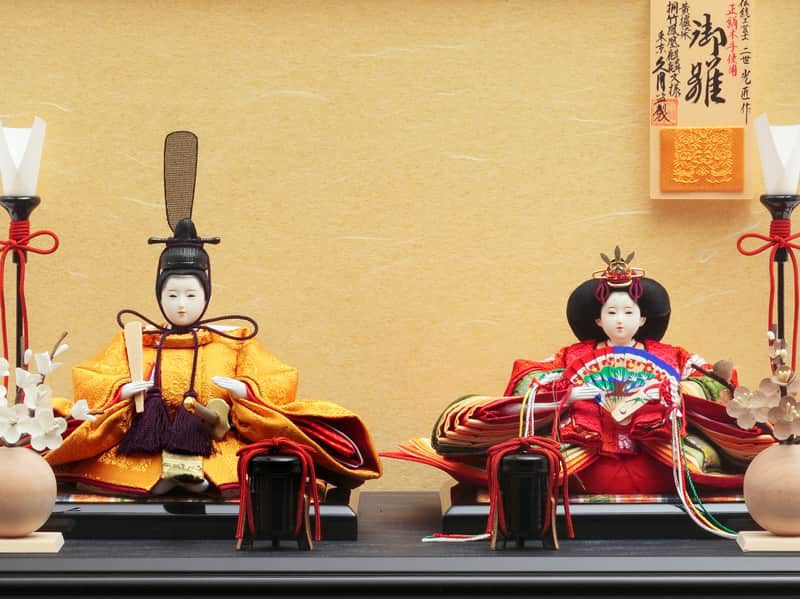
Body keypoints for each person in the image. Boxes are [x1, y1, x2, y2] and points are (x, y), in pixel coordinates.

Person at [386, 248, 773, 495]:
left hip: (659, 455)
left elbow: (712, 382)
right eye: (611, 312)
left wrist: (674, 392)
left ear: (643, 318)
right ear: (597, 319)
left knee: (709, 450)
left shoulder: (671, 355)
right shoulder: (573, 356)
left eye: (628, 312)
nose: (620, 320)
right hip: (583, 457)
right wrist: (566, 395)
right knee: (531, 467)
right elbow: (529, 382)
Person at [46, 217, 381, 495]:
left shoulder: (234, 340)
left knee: (229, 473)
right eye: (172, 295)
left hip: (215, 443)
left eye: (191, 295)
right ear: (159, 296)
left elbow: (277, 378)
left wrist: (245, 391)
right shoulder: (135, 339)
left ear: (206, 297)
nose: (181, 304)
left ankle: (194, 479)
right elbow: (92, 376)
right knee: (129, 474)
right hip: (144, 446)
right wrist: (122, 390)